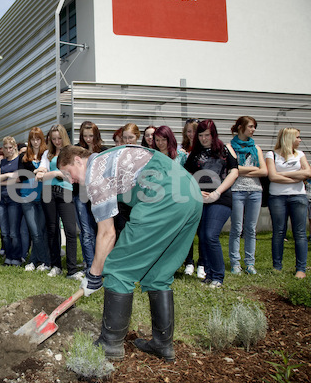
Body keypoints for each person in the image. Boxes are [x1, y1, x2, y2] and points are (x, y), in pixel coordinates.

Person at [57, 145, 202, 362]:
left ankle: (110, 345)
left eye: (68, 173)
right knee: (158, 272)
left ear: (79, 160)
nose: (70, 180)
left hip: (164, 197)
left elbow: (107, 234)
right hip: (190, 193)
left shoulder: (95, 173)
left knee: (117, 268)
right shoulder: (109, 158)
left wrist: (94, 275)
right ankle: (162, 344)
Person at [184, 119, 239, 288]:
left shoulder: (225, 149)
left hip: (221, 198)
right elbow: (186, 175)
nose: (203, 139)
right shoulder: (195, 153)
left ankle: (218, 276)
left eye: (207, 135)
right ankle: (208, 275)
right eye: (200, 135)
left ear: (213, 134)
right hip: (201, 199)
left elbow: (234, 172)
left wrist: (217, 192)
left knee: (210, 235)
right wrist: (196, 192)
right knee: (203, 237)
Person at [36, 124, 80, 280]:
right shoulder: (47, 154)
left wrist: (52, 172)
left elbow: (69, 175)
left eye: (59, 138)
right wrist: (48, 173)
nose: (56, 141)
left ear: (64, 137)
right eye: (53, 139)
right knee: (52, 231)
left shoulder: (71, 153)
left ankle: (72, 270)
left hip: (65, 192)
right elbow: (39, 174)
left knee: (70, 230)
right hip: (48, 193)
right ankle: (56, 266)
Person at [266, 127, 310, 279]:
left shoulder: (300, 154)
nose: (300, 140)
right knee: (278, 232)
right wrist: (297, 177)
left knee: (300, 233)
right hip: (277, 197)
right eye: (297, 137)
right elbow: (272, 177)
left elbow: (308, 173)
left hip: (299, 197)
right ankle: (277, 266)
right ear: (289, 138)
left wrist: (282, 174)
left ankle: (301, 269)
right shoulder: (271, 154)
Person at [228, 116, 267, 276]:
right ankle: (235, 263)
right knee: (236, 228)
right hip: (237, 191)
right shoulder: (230, 147)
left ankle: (250, 263)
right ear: (240, 127)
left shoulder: (256, 148)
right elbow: (232, 169)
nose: (253, 129)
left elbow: (264, 171)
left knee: (251, 229)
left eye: (254, 127)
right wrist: (250, 170)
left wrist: (240, 169)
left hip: (255, 191)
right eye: (251, 126)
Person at [75, 121, 107, 270]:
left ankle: (99, 262)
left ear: (96, 135)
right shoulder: (77, 150)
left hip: (99, 195)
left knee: (99, 230)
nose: (88, 139)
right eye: (85, 136)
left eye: (91, 136)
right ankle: (89, 264)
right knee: (86, 231)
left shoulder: (104, 150)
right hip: (81, 194)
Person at [18, 127, 50, 272]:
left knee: (41, 231)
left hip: (42, 197)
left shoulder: (46, 156)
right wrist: (36, 171)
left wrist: (39, 171)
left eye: (38, 139)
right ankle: (44, 261)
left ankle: (34, 261)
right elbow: (22, 175)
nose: (35, 142)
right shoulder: (24, 157)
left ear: (42, 139)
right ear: (29, 140)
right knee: (35, 232)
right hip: (27, 197)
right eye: (33, 139)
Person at [0, 136, 23, 266]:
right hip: (1, 199)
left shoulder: (19, 161)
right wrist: (8, 176)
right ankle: (8, 256)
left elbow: (19, 179)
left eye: (10, 147)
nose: (8, 150)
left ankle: (16, 257)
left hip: (14, 199)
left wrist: (2, 180)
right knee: (4, 231)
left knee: (13, 231)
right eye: (5, 148)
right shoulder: (2, 162)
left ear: (15, 147)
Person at [178, 118, 200, 276]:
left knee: (203, 231)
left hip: (204, 192)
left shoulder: (205, 148)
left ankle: (203, 264)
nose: (191, 134)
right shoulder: (182, 150)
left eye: (194, 131)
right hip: (186, 194)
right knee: (187, 230)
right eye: (189, 131)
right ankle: (189, 262)